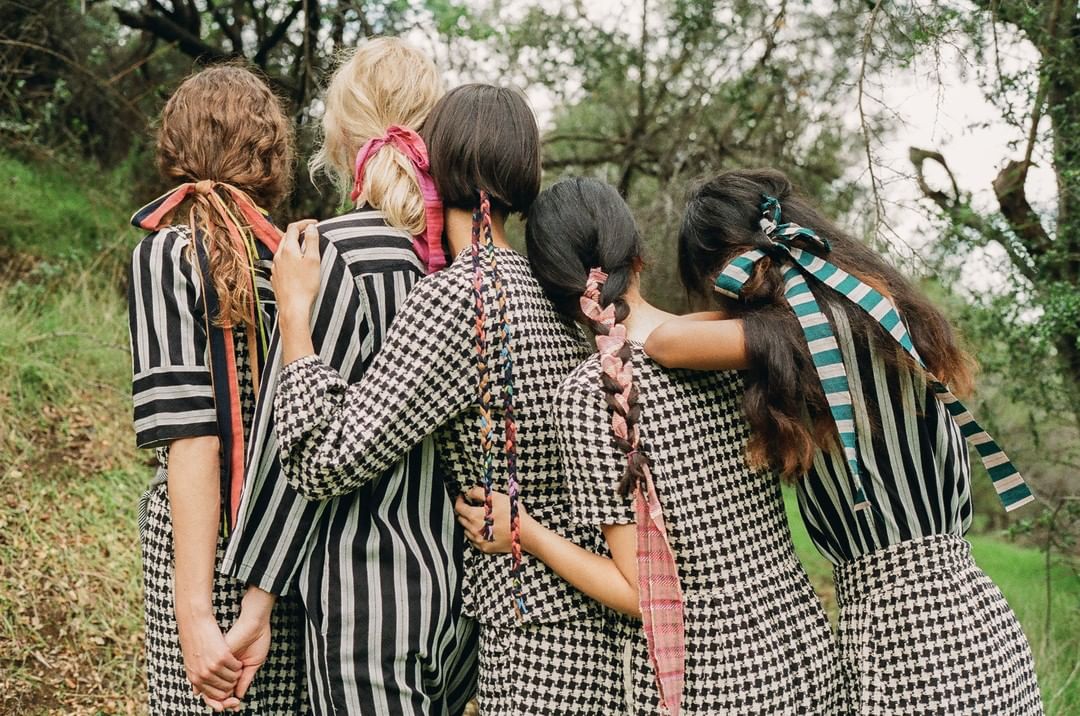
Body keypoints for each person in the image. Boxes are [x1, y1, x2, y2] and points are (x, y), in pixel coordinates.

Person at [268, 84, 631, 714]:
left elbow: (322, 459)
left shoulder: (462, 297)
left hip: (530, 638)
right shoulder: (543, 290)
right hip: (585, 623)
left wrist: (296, 315)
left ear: (436, 160)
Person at [644, 168, 1043, 715]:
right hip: (970, 615)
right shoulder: (873, 311)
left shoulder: (806, 330)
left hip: (908, 639)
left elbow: (667, 340)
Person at [457, 177, 844, 715]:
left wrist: (528, 533)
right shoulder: (730, 345)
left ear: (553, 290)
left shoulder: (590, 395)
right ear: (638, 257)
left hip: (707, 679)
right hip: (805, 653)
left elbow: (642, 594)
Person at [219, 38, 478, 715]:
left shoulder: (325, 257)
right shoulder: (459, 266)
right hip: (458, 594)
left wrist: (256, 599)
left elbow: (294, 444)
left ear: (338, 134)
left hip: (367, 599)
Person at [127, 64, 307, 714]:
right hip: (285, 556)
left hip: (206, 553)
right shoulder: (294, 260)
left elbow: (194, 439)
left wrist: (195, 611)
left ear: (177, 143)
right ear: (269, 153)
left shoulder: (165, 255)